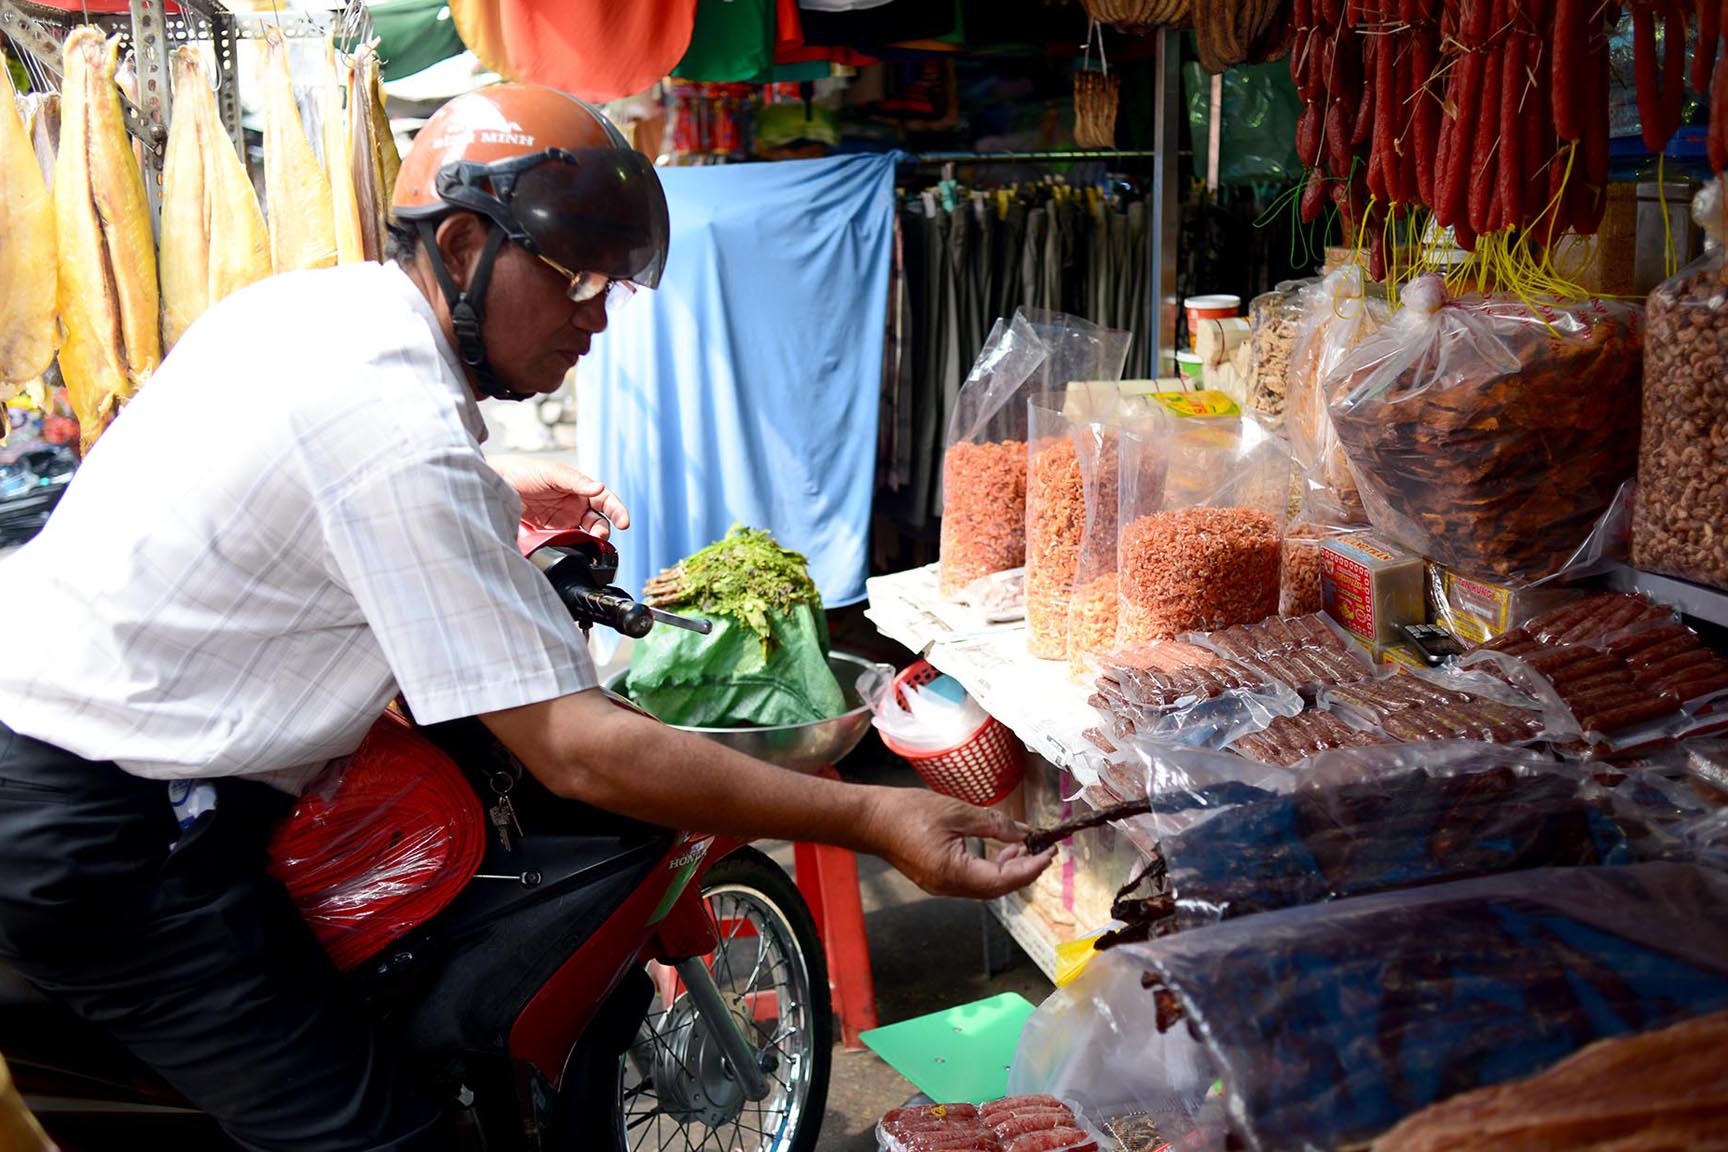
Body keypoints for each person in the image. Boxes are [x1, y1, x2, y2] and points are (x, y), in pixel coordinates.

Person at [0, 84, 1050, 1151]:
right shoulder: (394, 423)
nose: (596, 318)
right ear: (462, 246)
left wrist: (490, 491)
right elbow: (579, 753)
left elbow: (308, 489)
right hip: (110, 825)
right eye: (577, 278)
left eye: (612, 288)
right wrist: (876, 817)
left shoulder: (317, 314)